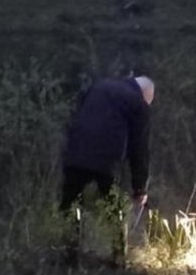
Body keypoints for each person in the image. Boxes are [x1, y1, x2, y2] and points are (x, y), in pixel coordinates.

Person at [60, 74, 154, 263]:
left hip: (75, 150)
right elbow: (139, 149)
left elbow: (77, 114)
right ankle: (118, 257)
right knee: (114, 207)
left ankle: (67, 254)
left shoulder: (100, 85)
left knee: (70, 203)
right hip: (106, 157)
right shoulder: (137, 102)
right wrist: (140, 188)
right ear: (146, 94)